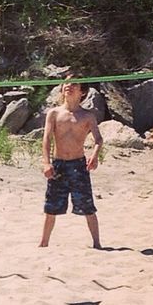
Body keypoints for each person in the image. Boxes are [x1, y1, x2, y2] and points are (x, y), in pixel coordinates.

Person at [39, 79, 103, 249]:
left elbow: (98, 139)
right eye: (66, 83)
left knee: (87, 206)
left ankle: (97, 243)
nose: (68, 86)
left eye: (74, 84)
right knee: (51, 207)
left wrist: (95, 155)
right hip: (58, 164)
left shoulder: (87, 116)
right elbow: (46, 139)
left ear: (82, 92)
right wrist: (46, 163)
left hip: (78, 165)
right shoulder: (54, 113)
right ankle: (43, 243)